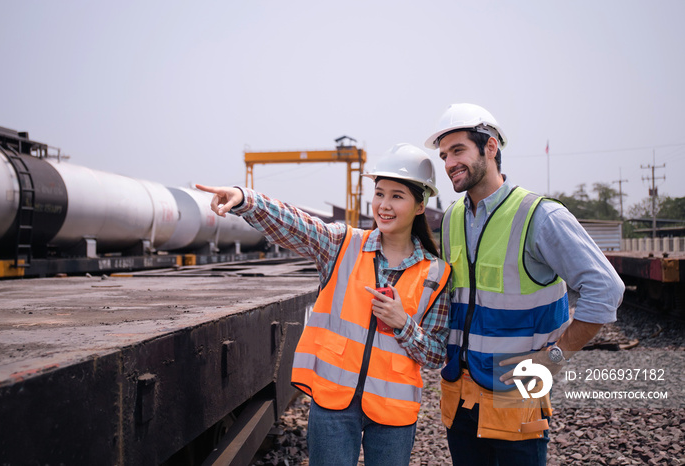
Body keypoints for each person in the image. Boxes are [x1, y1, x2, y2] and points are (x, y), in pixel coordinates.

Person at [196, 143, 452, 466]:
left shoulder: (436, 274)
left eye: (397, 196)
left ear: (420, 205)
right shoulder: (343, 245)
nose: (384, 205)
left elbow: (436, 353)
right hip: (334, 402)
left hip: (393, 412)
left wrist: (404, 324)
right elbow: (297, 225)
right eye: (379, 193)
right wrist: (247, 201)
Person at [424, 103, 625, 466]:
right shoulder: (453, 217)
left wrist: (554, 358)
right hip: (460, 398)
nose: (449, 162)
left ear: (490, 148)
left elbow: (606, 288)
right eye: (443, 155)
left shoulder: (539, 215)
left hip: (517, 402)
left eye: (458, 150)